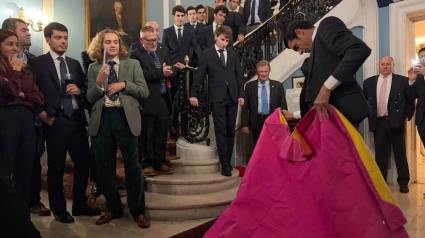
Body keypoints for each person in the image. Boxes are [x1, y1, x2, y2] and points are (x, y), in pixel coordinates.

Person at [28, 22, 100, 223]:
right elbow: (32, 92)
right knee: (56, 167)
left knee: (83, 164)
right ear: (48, 39)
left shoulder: (75, 63)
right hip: (55, 121)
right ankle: (59, 210)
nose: (63, 41)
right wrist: (41, 112)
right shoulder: (38, 63)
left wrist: (80, 91)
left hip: (76, 120)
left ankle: (79, 204)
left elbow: (86, 89)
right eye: (58, 38)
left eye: (66, 38)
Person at [86, 28, 150, 228]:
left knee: (132, 166)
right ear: (101, 46)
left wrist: (124, 84)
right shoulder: (94, 68)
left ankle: (138, 211)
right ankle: (113, 208)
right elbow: (89, 98)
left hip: (125, 117)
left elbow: (144, 91)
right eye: (108, 42)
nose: (112, 45)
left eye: (115, 42)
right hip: (103, 119)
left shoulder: (132, 64)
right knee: (104, 168)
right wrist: (98, 82)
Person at [2, 17, 51, 216]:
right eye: (10, 43)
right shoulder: (9, 67)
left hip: (28, 118)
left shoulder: (29, 62)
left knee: (28, 165)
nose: (14, 48)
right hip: (6, 119)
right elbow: (9, 91)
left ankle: (23, 209)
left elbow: (36, 93)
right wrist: (15, 79)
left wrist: (22, 94)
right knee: (5, 167)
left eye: (15, 44)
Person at [284, 17, 371, 127]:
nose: (300, 52)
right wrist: (294, 115)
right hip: (327, 120)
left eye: (296, 47)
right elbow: (316, 99)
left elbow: (358, 49)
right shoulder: (314, 55)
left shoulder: (326, 26)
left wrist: (326, 88)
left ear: (300, 32)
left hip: (342, 117)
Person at [190, 25, 244, 176]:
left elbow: (238, 76)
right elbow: (199, 76)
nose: (224, 43)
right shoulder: (207, 55)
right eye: (222, 40)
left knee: (230, 131)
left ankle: (228, 160)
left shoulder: (233, 55)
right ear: (216, 37)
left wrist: (241, 94)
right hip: (217, 98)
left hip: (232, 97)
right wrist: (193, 93)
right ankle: (225, 163)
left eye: (227, 40)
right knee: (220, 130)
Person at [363, 56, 414, 193]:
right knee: (380, 154)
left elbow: (409, 101)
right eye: (382, 64)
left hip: (396, 122)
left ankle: (403, 182)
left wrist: (407, 116)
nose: (385, 66)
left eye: (388, 64)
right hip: (378, 123)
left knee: (400, 153)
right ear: (379, 66)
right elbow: (364, 102)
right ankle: (381, 182)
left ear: (393, 65)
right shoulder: (368, 83)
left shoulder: (403, 81)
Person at [130, 26, 175, 176]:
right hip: (146, 99)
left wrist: (172, 70)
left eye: (156, 39)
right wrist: (160, 72)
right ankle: (146, 163)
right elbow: (139, 75)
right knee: (147, 133)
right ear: (141, 40)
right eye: (150, 40)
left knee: (162, 131)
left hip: (163, 97)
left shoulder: (161, 52)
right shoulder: (135, 55)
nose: (154, 43)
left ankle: (159, 160)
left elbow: (167, 69)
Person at [241, 60, 287, 143]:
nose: (264, 74)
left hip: (273, 121)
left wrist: (284, 122)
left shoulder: (278, 86)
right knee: (259, 147)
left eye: (266, 71)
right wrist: (244, 124)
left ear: (269, 71)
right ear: (257, 72)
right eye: (261, 71)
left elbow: (283, 105)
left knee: (273, 146)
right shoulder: (249, 86)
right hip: (256, 122)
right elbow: (245, 108)